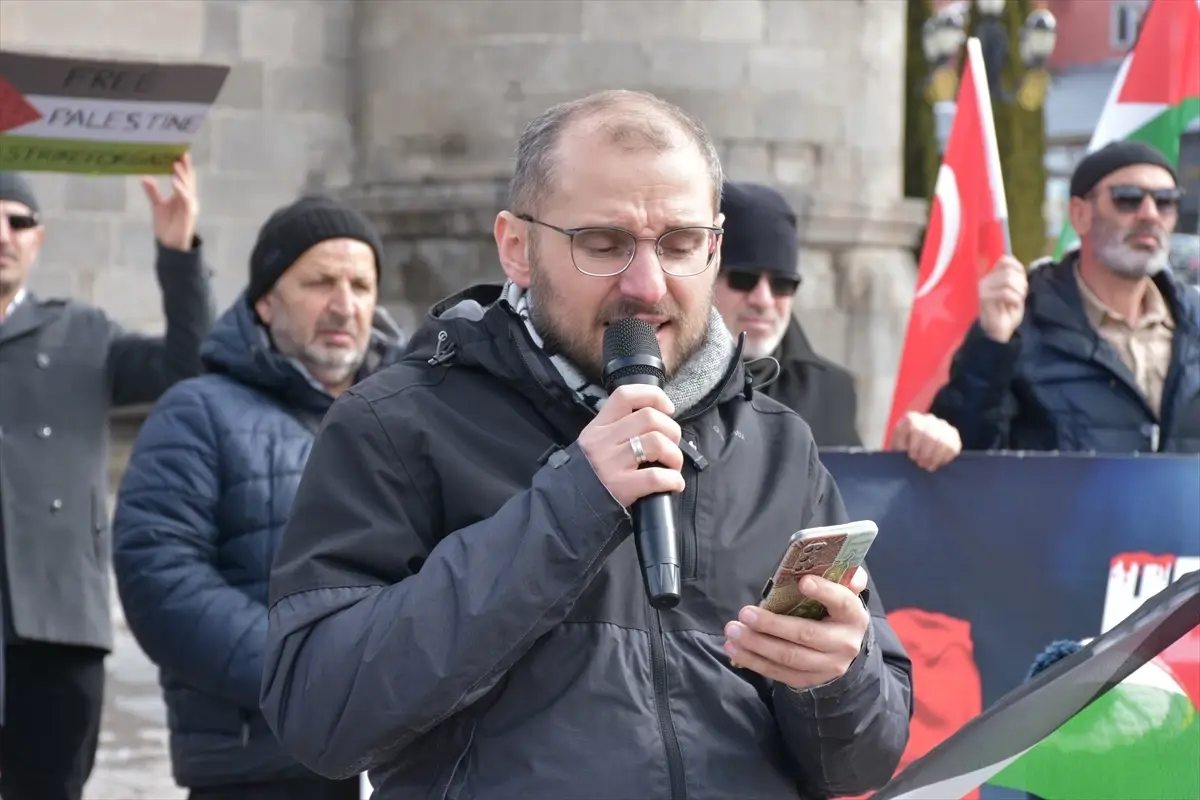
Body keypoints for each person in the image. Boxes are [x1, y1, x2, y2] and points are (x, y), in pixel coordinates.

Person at [260, 89, 913, 800]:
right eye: (604, 245)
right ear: (517, 247)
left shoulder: (778, 447)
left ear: (714, 247)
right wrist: (571, 506)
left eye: (680, 244)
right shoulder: (397, 425)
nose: (646, 284)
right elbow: (318, 715)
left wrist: (836, 679)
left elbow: (863, 761)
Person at [110, 196, 406, 800]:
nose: (344, 305)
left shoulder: (415, 415)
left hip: (405, 760)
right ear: (266, 300)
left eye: (360, 284)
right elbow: (160, 576)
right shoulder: (197, 411)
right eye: (320, 282)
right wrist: (306, 672)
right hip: (259, 763)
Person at [0, 156, 215, 800]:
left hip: (57, 624)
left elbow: (187, 368)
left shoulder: (80, 332)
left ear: (39, 238)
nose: (2, 235)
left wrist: (178, 253)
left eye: (19, 221)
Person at [931, 141, 1200, 454]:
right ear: (1080, 215)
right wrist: (991, 345)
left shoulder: (1192, 321)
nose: (1150, 214)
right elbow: (970, 453)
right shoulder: (1019, 323)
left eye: (1166, 202)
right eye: (1128, 199)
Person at [715, 180, 962, 471]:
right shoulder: (666, 381)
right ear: (706, 279)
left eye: (782, 284)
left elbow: (852, 499)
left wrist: (903, 460)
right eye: (743, 279)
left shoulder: (831, 391)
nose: (763, 299)